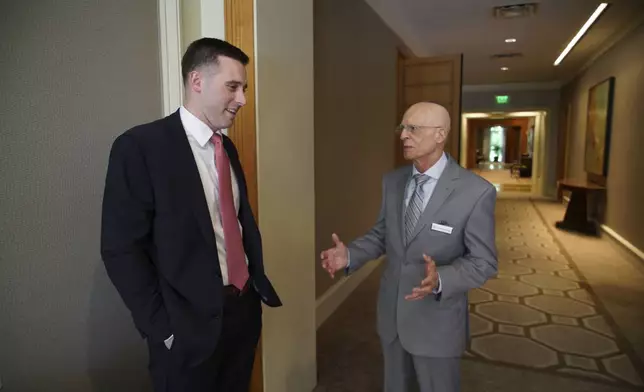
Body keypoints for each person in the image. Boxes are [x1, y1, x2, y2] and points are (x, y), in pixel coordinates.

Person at [100, 37, 281, 392]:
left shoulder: (226, 147)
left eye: (244, 88)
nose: (243, 99)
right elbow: (121, 249)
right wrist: (163, 329)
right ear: (197, 81)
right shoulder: (140, 147)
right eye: (233, 86)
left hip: (242, 316)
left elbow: (238, 223)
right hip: (184, 330)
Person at [320, 102, 497, 392]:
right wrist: (350, 254)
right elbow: (382, 235)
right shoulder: (393, 181)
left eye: (413, 128)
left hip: (437, 323)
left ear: (440, 135)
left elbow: (483, 262)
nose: (403, 135)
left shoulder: (476, 192)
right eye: (402, 127)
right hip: (393, 316)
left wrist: (442, 278)